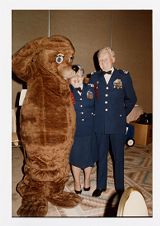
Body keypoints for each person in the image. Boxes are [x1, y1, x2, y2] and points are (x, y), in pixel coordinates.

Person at [89, 47, 137, 197]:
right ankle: (101, 186)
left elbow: (131, 99)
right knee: (101, 155)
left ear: (113, 59)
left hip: (117, 124)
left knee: (118, 156)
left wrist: (122, 114)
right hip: (99, 124)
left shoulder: (123, 76)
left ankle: (120, 187)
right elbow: (90, 100)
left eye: (105, 59)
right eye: (100, 60)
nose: (102, 63)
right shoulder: (94, 78)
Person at [69, 64, 97, 194]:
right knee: (75, 157)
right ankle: (77, 182)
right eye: (73, 77)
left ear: (83, 77)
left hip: (90, 129)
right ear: (68, 78)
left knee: (89, 156)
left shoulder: (91, 89)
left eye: (79, 76)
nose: (76, 79)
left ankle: (87, 180)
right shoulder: (65, 92)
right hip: (74, 130)